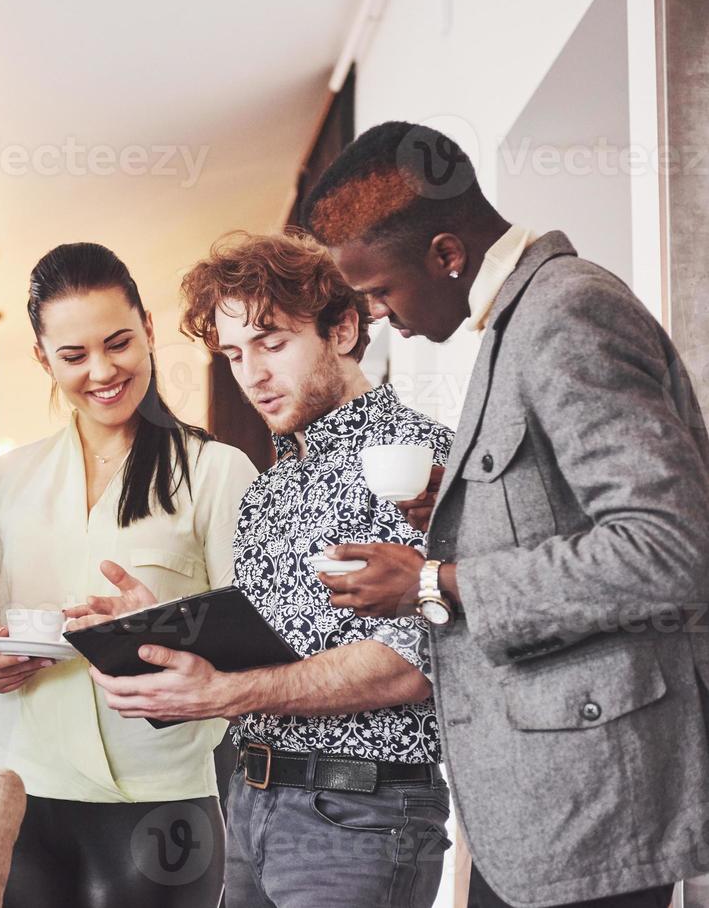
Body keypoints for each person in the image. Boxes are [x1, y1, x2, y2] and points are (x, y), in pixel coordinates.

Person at [298, 121, 709, 908]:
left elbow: (667, 548)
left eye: (378, 291)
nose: (378, 316)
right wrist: (465, 508)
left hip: (594, 808)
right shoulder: (521, 324)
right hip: (552, 809)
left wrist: (435, 580)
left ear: (446, 254)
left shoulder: (567, 313)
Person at [80, 230, 455, 908]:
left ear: (341, 329)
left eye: (271, 343)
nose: (250, 374)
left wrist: (224, 694)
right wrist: (160, 628)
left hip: (361, 815)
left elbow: (414, 661)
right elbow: (266, 651)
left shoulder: (422, 458)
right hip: (251, 805)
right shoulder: (269, 490)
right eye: (232, 354)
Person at [0, 242, 257, 908]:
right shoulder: (11, 478)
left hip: (156, 800)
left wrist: (158, 631)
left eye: (117, 342)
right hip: (13, 784)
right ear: (41, 359)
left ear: (149, 330)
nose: (101, 371)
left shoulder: (217, 471)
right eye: (72, 356)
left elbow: (260, 648)